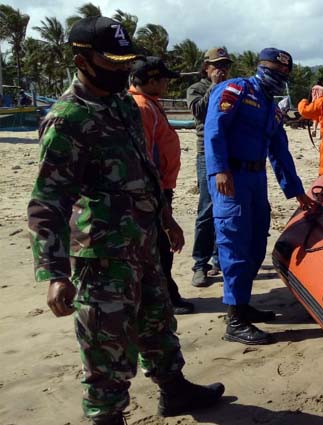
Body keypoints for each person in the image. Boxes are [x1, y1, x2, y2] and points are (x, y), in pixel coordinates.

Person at [27, 17, 224, 424]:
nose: (121, 69)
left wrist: (166, 219)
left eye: (124, 61)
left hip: (144, 240)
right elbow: (48, 201)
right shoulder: (68, 119)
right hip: (102, 255)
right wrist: (54, 272)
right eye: (112, 61)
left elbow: (144, 169)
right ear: (82, 59)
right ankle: (106, 415)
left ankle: (175, 390)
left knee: (157, 323)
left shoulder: (121, 105)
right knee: (106, 343)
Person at [205, 47, 318, 345]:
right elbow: (214, 129)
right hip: (231, 178)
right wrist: (219, 170)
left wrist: (296, 191)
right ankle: (235, 320)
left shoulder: (272, 106)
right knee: (235, 243)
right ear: (260, 67)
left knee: (256, 242)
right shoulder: (236, 89)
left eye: (284, 73)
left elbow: (279, 149)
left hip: (256, 179)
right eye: (274, 70)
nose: (279, 76)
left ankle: (242, 305)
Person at [129, 56, 195, 314]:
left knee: (161, 246)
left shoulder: (150, 104)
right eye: (165, 79)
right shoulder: (142, 107)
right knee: (160, 246)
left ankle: (167, 294)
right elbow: (145, 155)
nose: (168, 83)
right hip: (153, 189)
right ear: (152, 80)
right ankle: (165, 298)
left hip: (161, 186)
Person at [186, 47, 231, 287]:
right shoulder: (197, 89)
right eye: (217, 65)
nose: (222, 70)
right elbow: (199, 112)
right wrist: (214, 86)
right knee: (207, 208)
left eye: (225, 66)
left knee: (226, 208)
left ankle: (219, 258)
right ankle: (199, 264)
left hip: (229, 154)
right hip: (207, 156)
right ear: (207, 67)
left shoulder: (232, 88)